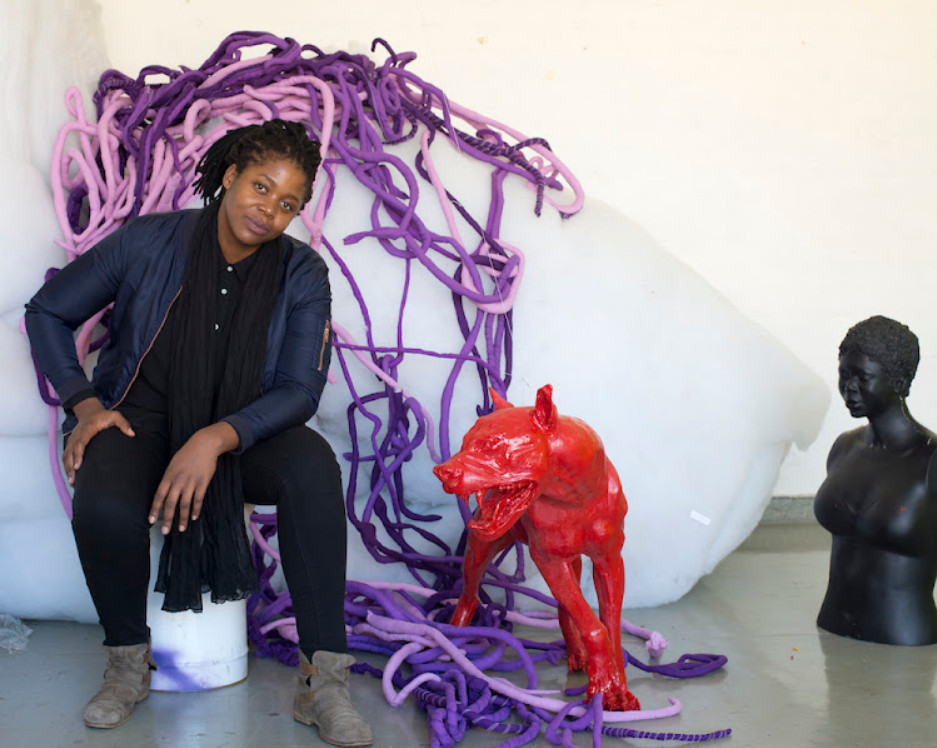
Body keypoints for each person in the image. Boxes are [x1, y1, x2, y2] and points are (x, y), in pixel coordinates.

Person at [25, 119, 373, 745]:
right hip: (141, 418)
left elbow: (299, 391)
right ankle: (127, 663)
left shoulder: (302, 274)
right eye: (261, 187)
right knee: (102, 497)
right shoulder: (147, 242)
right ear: (230, 175)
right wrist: (83, 405)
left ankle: (325, 681)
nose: (269, 211)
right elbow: (48, 311)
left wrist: (215, 438)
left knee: (314, 470)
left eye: (288, 203)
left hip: (246, 427)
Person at [814, 315, 937, 645]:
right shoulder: (843, 448)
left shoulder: (931, 458)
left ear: (897, 380)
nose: (849, 386)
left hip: (903, 643)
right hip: (832, 628)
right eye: (844, 373)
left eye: (862, 376)